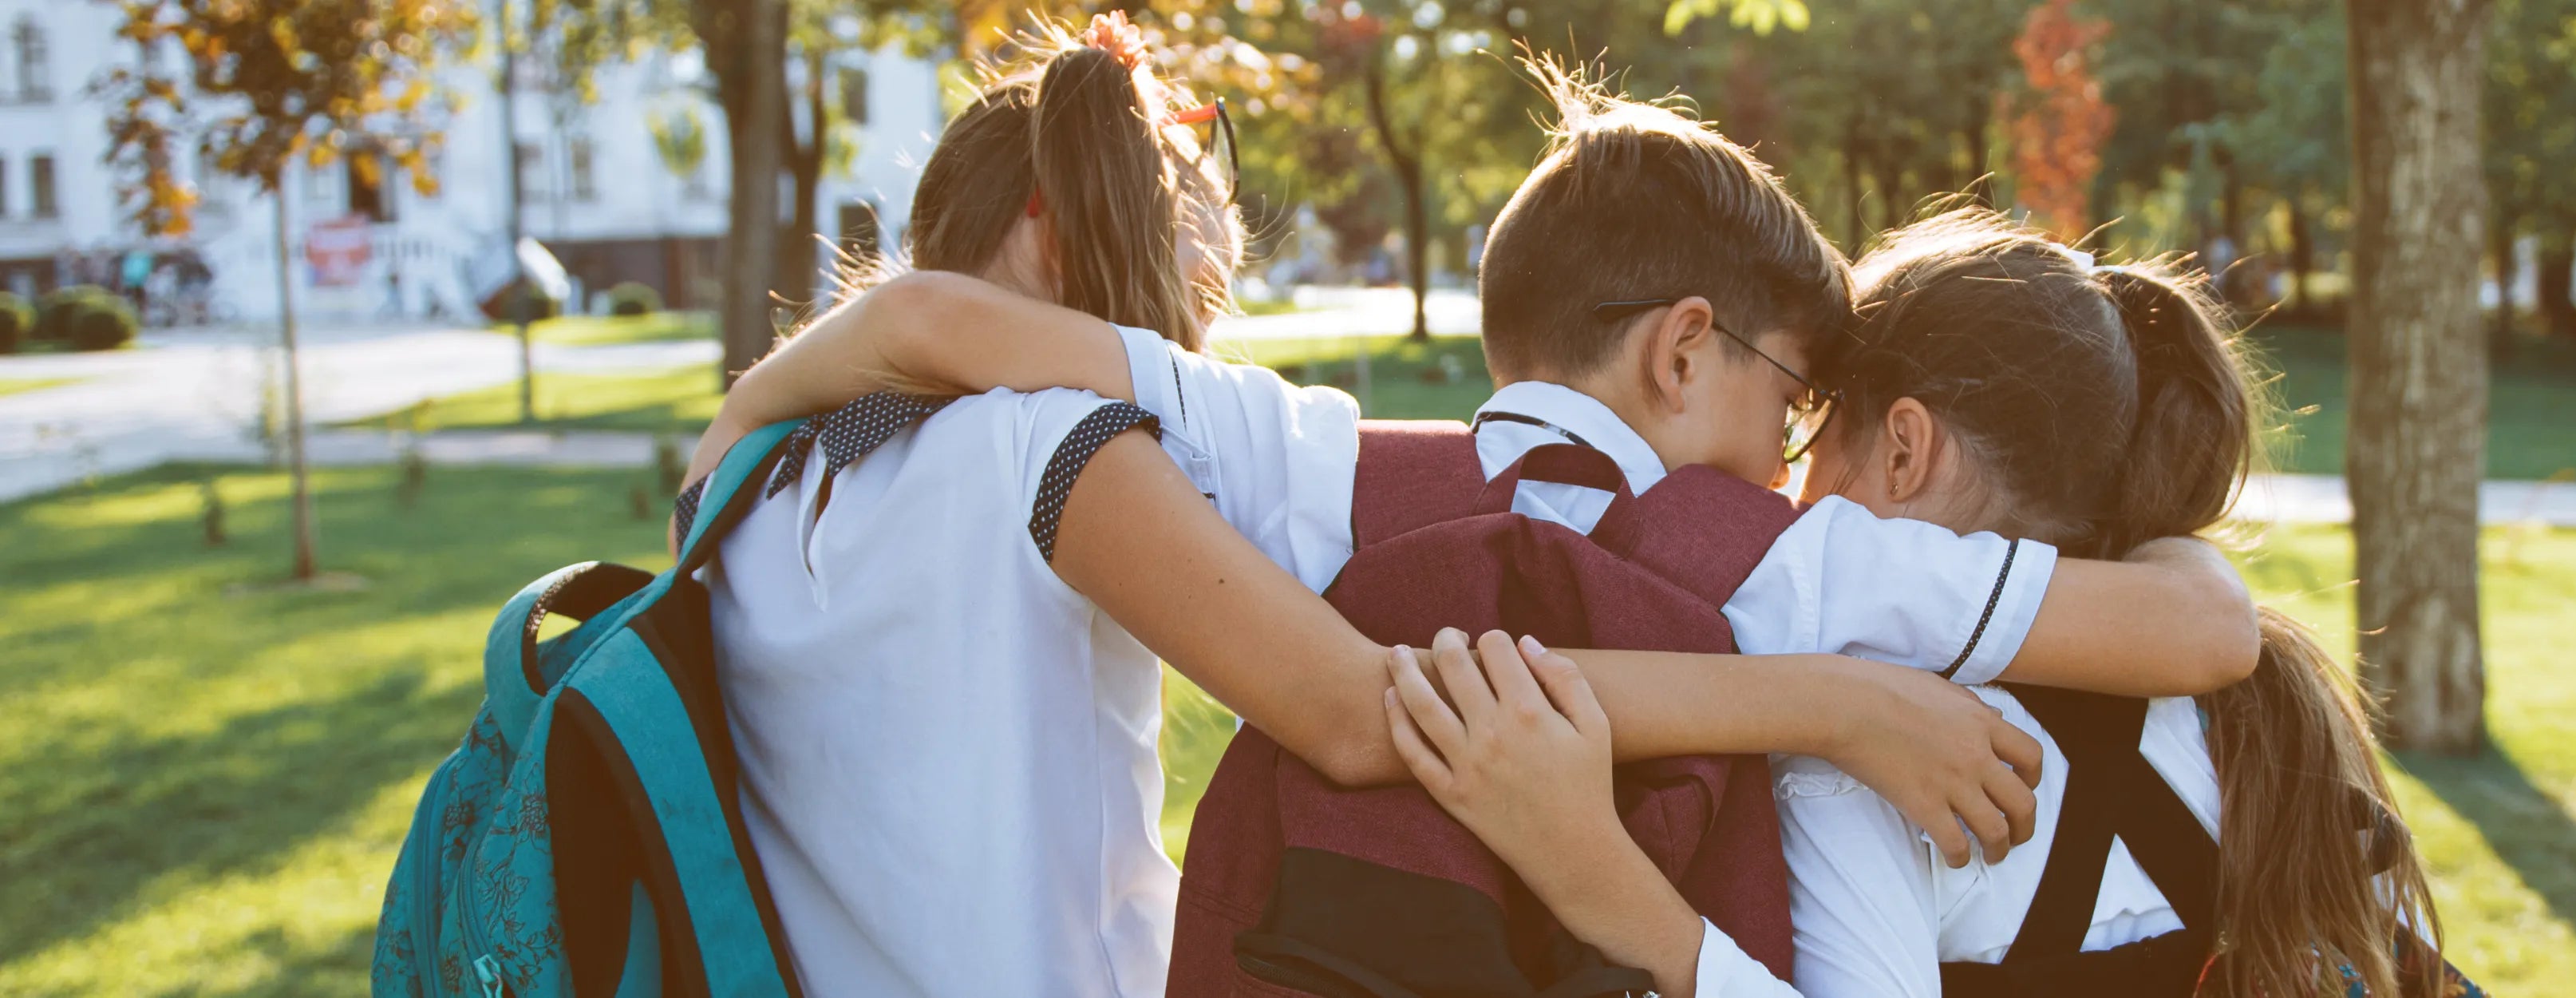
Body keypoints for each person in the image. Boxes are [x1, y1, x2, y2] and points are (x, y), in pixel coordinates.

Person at [701, 60, 2269, 995]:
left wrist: (729, 425)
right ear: (1684, 347)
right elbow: (1358, 706)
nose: (1788, 462)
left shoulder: (770, 492)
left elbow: (921, 321)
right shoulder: (1055, 442)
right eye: (1790, 406)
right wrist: (1853, 697)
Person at [1385, 211, 2476, 996]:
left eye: (1809, 437)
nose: (1778, 485)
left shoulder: (1881, 756)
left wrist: (1599, 878)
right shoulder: (2238, 711)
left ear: (1902, 447)